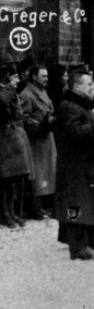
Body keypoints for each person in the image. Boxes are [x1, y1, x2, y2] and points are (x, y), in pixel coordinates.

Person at [54, 69, 94, 260]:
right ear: (77, 87)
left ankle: (84, 241)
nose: (93, 89)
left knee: (83, 204)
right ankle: (77, 246)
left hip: (84, 165)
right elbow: (74, 133)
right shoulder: (68, 107)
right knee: (74, 205)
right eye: (89, 85)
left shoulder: (82, 105)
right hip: (74, 166)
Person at [20, 64, 57, 219]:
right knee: (38, 174)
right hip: (37, 140)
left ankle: (44, 204)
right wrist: (40, 124)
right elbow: (24, 118)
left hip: (46, 137)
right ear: (34, 77)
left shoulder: (42, 91)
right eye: (44, 76)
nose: (47, 78)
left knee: (47, 172)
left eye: (47, 76)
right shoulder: (27, 94)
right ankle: (36, 206)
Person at [0, 61, 34, 229]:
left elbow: (18, 114)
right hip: (2, 139)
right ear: (6, 76)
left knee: (13, 178)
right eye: (14, 76)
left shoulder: (12, 93)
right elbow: (4, 115)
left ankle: (12, 212)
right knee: (4, 178)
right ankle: (5, 213)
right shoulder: (3, 92)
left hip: (13, 138)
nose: (17, 79)